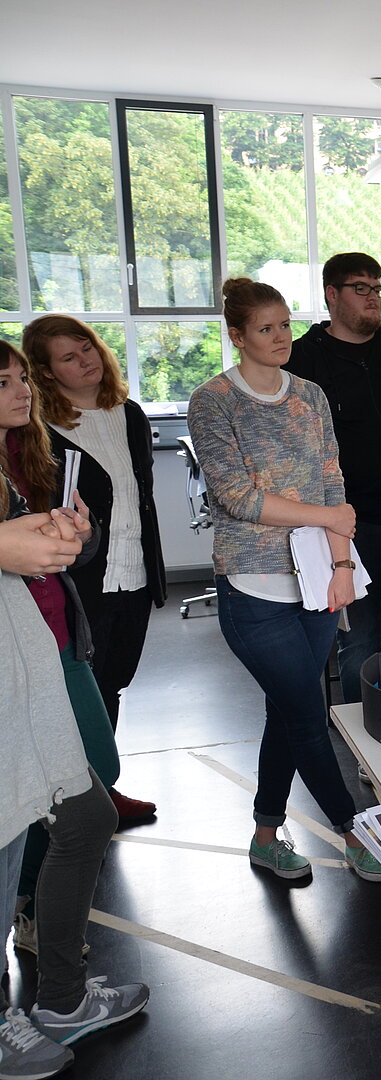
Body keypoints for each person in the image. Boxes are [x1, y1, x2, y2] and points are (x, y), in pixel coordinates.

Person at [188, 278, 381, 883]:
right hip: (253, 586)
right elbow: (238, 497)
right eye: (266, 329)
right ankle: (355, 832)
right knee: (306, 713)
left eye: (285, 326)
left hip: (317, 580)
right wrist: (326, 518)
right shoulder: (214, 401)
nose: (281, 338)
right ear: (237, 335)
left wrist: (343, 566)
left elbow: (333, 484)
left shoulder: (310, 395)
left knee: (287, 710)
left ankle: (265, 835)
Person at [0, 347, 148, 1069]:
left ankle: (60, 997)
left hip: (39, 658)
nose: (20, 390)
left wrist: (69, 540)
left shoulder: (23, 457)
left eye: (20, 377)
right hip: (12, 676)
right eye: (3, 382)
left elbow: (44, 564)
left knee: (87, 812)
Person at [22, 316, 164, 822]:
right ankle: (70, 800)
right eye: (69, 357)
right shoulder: (38, 428)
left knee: (113, 683)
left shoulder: (130, 414)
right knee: (77, 691)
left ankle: (103, 789)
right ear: (45, 372)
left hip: (135, 574)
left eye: (87, 347)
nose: (86, 360)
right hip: (80, 582)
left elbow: (139, 498)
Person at [284, 252, 381, 704]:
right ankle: (362, 733)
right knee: (358, 641)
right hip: (344, 525)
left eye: (377, 288)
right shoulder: (302, 360)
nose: (372, 297)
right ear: (331, 294)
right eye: (360, 288)